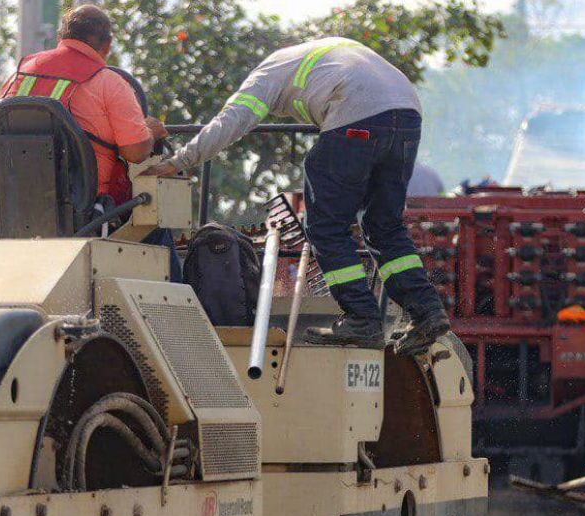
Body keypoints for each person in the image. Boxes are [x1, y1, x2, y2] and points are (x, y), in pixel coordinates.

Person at [155, 36, 449, 354]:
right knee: (384, 226)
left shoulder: (267, 74)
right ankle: (426, 311)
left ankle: (362, 318)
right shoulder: (330, 50)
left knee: (326, 226)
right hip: (407, 116)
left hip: (357, 115)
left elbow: (233, 121)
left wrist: (178, 163)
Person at [0, 4, 168, 211]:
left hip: (11, 203)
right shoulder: (109, 83)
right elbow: (135, 152)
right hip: (85, 208)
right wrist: (150, 131)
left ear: (62, 38)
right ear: (107, 44)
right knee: (159, 227)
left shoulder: (20, 73)